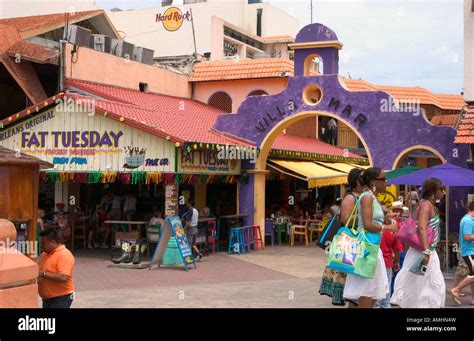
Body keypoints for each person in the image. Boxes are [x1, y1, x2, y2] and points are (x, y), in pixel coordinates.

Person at [343, 167, 399, 308]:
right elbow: (367, 224)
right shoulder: (367, 197)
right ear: (373, 181)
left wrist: (385, 218)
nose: (386, 182)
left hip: (373, 248)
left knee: (377, 290)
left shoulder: (372, 197)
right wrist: (388, 227)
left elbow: (371, 219)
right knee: (368, 292)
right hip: (366, 249)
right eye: (383, 179)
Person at [391, 178, 446, 308]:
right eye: (441, 189)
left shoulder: (429, 205)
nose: (443, 192)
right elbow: (421, 228)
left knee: (423, 286)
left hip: (427, 251)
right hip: (423, 252)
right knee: (419, 286)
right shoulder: (426, 205)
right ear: (433, 191)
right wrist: (426, 251)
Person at [320, 168, 365, 307]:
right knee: (353, 290)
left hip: (361, 243)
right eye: (364, 177)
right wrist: (367, 218)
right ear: (357, 181)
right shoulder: (351, 197)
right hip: (351, 245)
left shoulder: (364, 196)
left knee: (359, 291)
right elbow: (346, 220)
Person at [38, 228, 75, 308]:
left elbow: (63, 277)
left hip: (61, 297)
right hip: (47, 298)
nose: (41, 246)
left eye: (44, 243)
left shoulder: (64, 254)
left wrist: (42, 273)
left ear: (53, 242)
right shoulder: (44, 254)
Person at [374, 212, 404, 309]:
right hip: (387, 264)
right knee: (385, 292)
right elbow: (397, 249)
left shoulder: (375, 231)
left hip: (373, 263)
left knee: (375, 291)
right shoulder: (392, 233)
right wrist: (397, 261)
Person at [450, 202, 474, 305]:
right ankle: (456, 289)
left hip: (469, 251)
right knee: (471, 274)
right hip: (469, 251)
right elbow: (467, 237)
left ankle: (473, 298)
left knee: (471, 275)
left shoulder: (468, 219)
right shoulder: (468, 221)